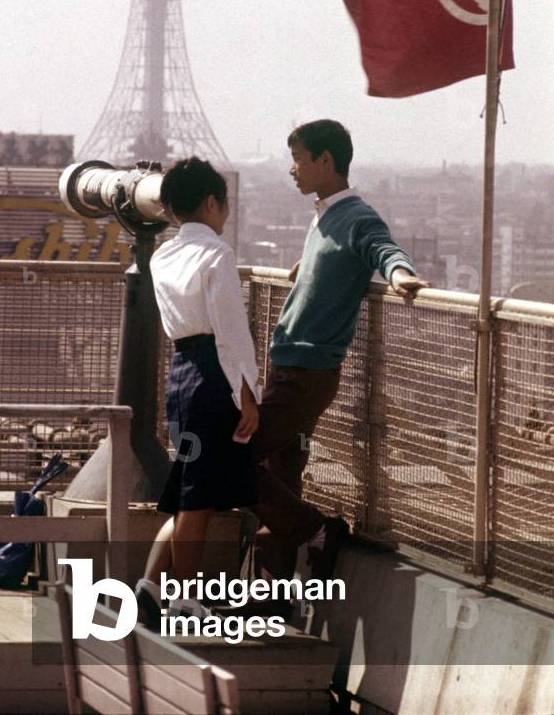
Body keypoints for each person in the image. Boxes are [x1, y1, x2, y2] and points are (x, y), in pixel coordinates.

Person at [250, 119, 428, 578]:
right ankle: (271, 596)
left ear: (325, 161)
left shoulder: (356, 216)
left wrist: (400, 274)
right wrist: (305, 268)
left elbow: (383, 249)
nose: (292, 170)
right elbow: (334, 262)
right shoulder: (326, 215)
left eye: (298, 159)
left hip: (306, 375)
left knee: (232, 460)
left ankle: (319, 530)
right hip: (290, 366)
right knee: (281, 477)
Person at [135, 157, 261, 627]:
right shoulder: (217, 256)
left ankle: (150, 588)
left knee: (188, 488)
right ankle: (185, 601)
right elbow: (231, 332)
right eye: (223, 203)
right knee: (198, 500)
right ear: (212, 202)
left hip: (181, 373)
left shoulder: (161, 255)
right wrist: (248, 393)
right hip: (213, 376)